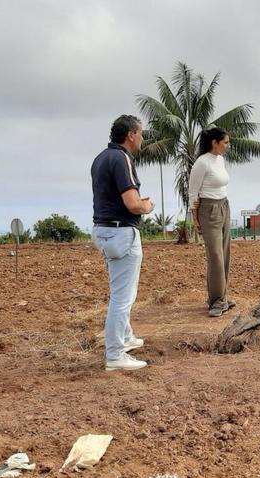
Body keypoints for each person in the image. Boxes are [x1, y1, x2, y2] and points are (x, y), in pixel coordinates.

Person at [90, 115, 155, 371]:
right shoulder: (123, 158)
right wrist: (147, 206)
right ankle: (115, 355)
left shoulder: (101, 158)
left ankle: (125, 337)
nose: (142, 138)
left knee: (119, 291)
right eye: (140, 133)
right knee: (122, 297)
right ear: (130, 135)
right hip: (121, 232)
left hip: (104, 231)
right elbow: (132, 203)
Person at [189, 127, 236, 317]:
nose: (228, 145)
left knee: (225, 252)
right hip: (208, 210)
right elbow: (193, 193)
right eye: (225, 142)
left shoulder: (220, 160)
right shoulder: (202, 163)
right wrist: (195, 218)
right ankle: (216, 302)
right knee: (215, 255)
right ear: (214, 143)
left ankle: (221, 297)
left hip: (224, 206)